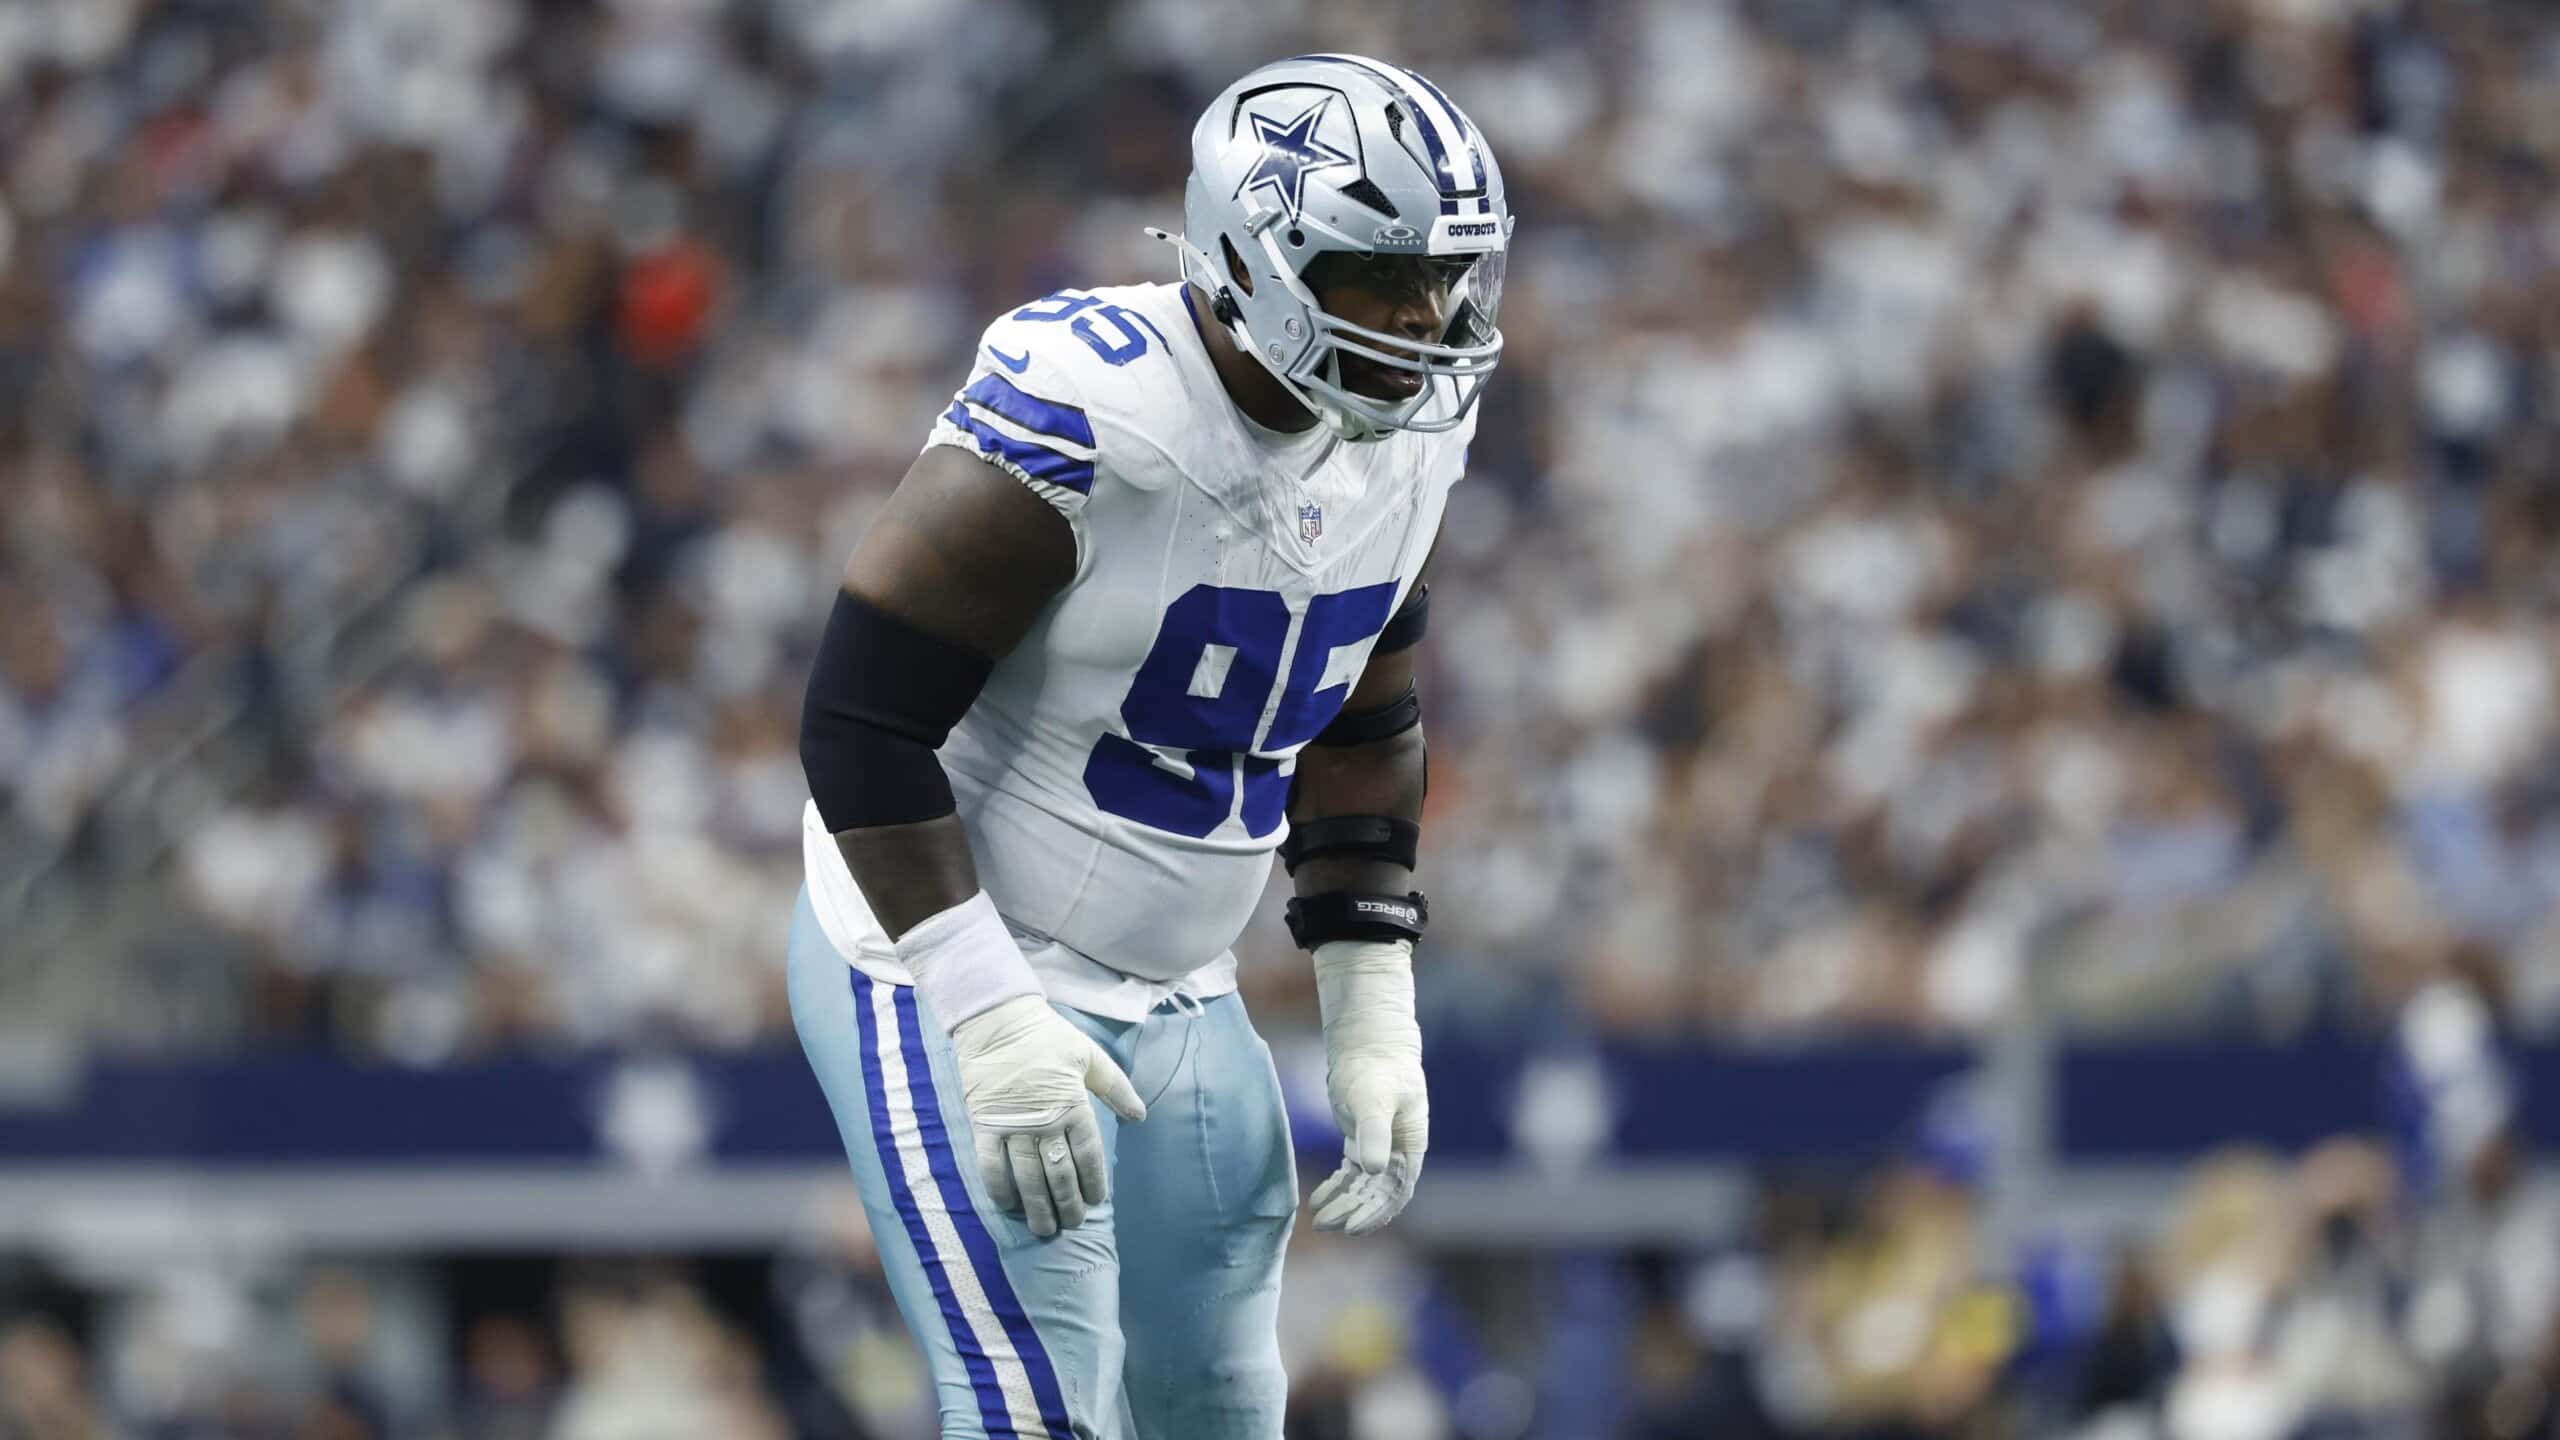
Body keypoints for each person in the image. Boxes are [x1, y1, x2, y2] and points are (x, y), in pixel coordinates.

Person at [785, 52, 1510, 1439]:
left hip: (1179, 985)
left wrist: (1369, 1002)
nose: (1428, 317)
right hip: (948, 958)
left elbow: (1362, 710)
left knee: (1216, 1406)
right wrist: (990, 1014)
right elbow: (857, 723)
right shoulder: (1092, 412)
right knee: (1036, 1412)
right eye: (1381, 276)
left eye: (1443, 274)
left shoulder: (1409, 426)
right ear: (1254, 259)